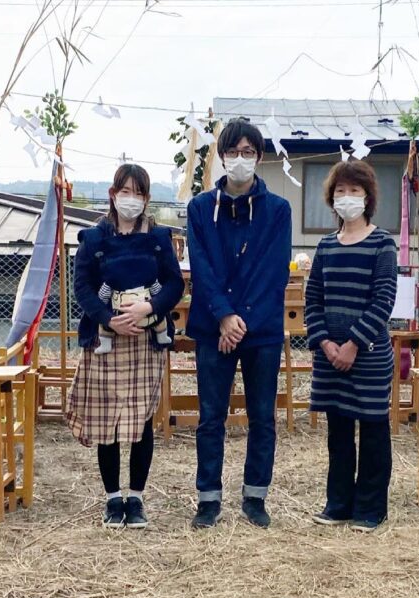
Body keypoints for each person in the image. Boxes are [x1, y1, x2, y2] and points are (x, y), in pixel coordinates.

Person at [186, 117, 292, 529]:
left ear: (259, 158)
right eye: (233, 152)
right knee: (211, 416)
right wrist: (224, 316)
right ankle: (208, 499)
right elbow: (203, 268)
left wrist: (241, 320)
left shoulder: (278, 210)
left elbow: (272, 271)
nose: (241, 160)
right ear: (222, 156)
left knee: (262, 416)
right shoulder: (199, 209)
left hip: (260, 330)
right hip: (213, 328)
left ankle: (255, 496)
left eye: (249, 153)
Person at [66, 164, 184, 528]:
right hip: (106, 338)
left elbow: (175, 284)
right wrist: (107, 318)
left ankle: (137, 498)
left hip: (146, 339)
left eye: (138, 192)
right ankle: (112, 498)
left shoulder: (159, 238)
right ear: (112, 194)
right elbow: (82, 287)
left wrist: (151, 307)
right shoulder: (94, 238)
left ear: (146, 198)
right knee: (107, 422)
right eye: (125, 191)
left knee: (140, 419)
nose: (130, 198)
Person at [304, 160, 397, 532]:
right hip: (329, 358)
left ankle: (371, 508)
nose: (347, 198)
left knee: (373, 430)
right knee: (338, 432)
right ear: (331, 198)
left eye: (354, 191)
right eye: (340, 191)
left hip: (369, 357)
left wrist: (354, 344)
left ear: (368, 197)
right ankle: (338, 503)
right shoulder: (326, 245)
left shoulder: (382, 242)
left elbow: (383, 298)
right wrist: (325, 342)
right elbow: (313, 299)